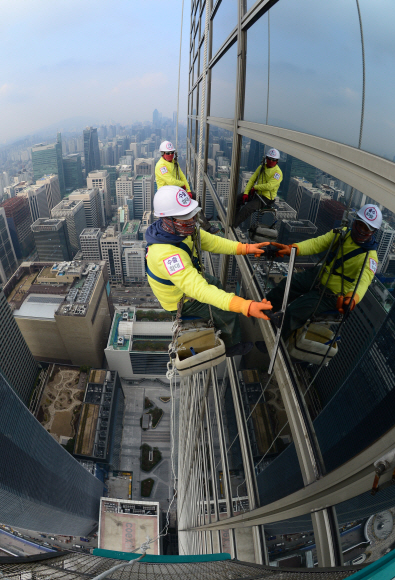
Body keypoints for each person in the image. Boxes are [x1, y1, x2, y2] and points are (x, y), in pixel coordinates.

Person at [145, 185, 273, 357]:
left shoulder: (182, 230)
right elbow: (199, 290)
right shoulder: (167, 255)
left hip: (188, 284)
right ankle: (231, 346)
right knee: (225, 312)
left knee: (216, 283)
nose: (191, 220)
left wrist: (247, 248)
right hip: (180, 300)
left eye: (191, 214)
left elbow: (214, 242)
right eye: (184, 217)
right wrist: (243, 305)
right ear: (167, 220)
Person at [265, 204, 381, 342]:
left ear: (372, 232)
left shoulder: (370, 258)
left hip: (332, 294)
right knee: (286, 285)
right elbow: (317, 243)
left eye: (366, 229)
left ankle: (273, 340)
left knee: (294, 311)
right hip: (319, 274)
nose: (361, 230)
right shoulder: (343, 233)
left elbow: (362, 282)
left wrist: (351, 298)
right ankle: (264, 308)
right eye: (360, 225)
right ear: (355, 222)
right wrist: (293, 249)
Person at [155, 140, 219, 233]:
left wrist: (188, 190)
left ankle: (202, 217)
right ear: (163, 153)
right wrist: (182, 185)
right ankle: (207, 227)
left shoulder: (174, 162)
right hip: (166, 194)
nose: (171, 154)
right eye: (168, 153)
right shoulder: (161, 166)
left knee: (194, 196)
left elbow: (182, 176)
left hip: (175, 190)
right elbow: (170, 181)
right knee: (188, 204)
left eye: (172, 152)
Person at [234, 148, 283, 227]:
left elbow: (269, 186)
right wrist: (246, 193)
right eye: (269, 158)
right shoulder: (261, 167)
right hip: (256, 193)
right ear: (266, 158)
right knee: (237, 199)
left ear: (277, 161)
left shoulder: (277, 173)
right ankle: (231, 218)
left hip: (266, 198)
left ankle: (233, 225)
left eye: (273, 160)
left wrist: (256, 187)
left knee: (247, 208)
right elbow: (252, 179)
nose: (270, 161)